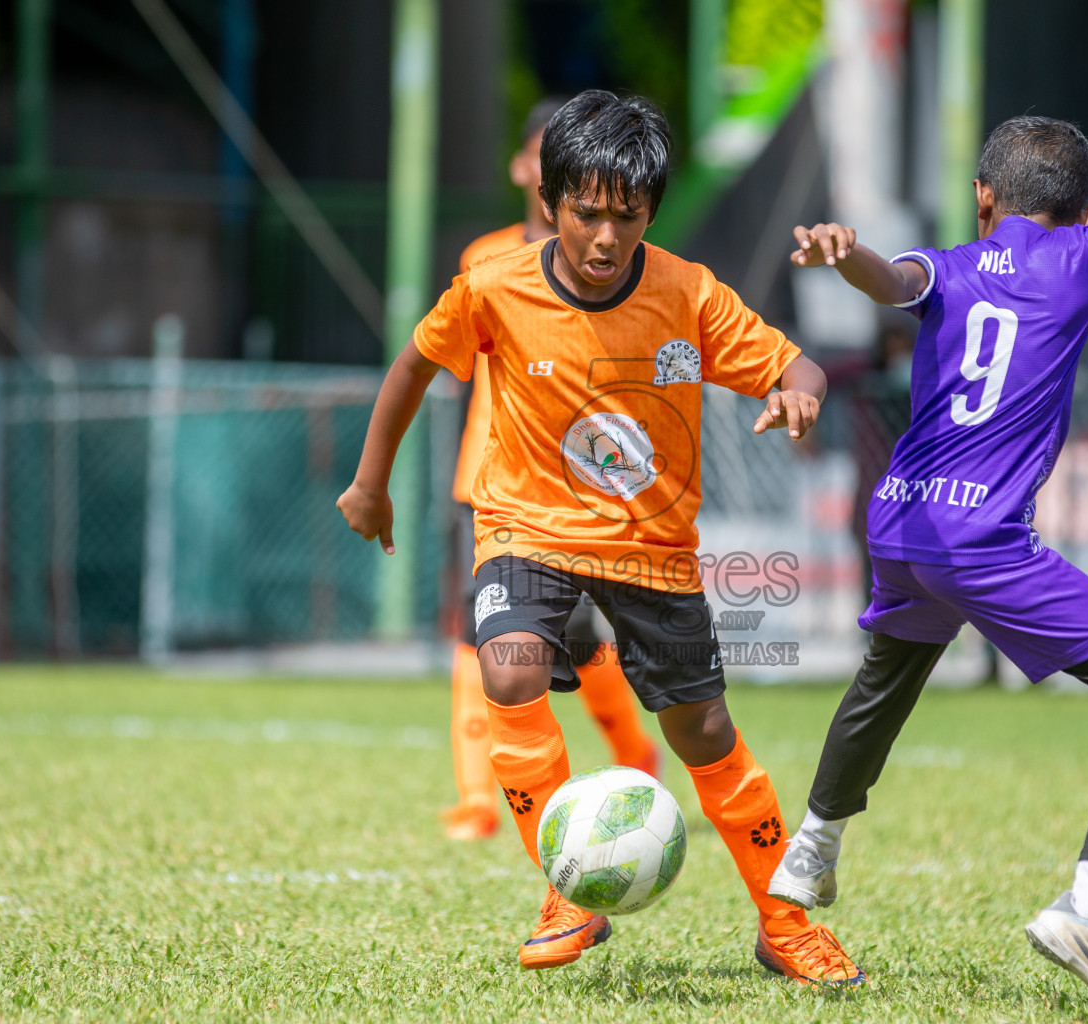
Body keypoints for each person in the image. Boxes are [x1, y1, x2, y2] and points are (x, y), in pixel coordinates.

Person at [338, 90, 862, 983]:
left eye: (627, 216)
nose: (605, 237)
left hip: (652, 551)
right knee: (508, 667)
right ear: (549, 202)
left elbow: (789, 359)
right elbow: (414, 365)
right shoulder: (493, 287)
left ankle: (786, 923)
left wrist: (801, 388)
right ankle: (567, 895)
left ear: (651, 212)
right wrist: (370, 482)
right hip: (525, 528)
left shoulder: (688, 292)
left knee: (704, 735)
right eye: (586, 212)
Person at [767, 116, 1088, 1022]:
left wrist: (845, 254)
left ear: (984, 197)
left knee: (889, 675)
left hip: (901, 524)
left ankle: (808, 854)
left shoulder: (948, 264)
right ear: (1084, 210)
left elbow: (892, 280)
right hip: (979, 540)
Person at [442, 98, 659, 842]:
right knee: (478, 635)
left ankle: (633, 748)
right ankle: (476, 799)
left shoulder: (628, 273)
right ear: (529, 170)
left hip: (584, 490)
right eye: (543, 157)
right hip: (494, 479)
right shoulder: (487, 260)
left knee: (579, 635)